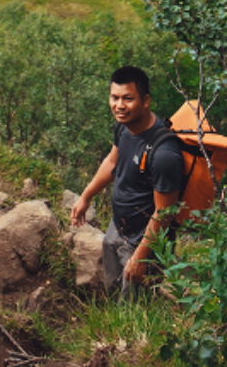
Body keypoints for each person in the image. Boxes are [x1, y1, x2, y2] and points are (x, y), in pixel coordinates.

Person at [69, 66, 184, 290]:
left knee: (135, 307)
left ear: (146, 100)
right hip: (118, 228)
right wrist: (86, 196)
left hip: (144, 243)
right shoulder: (123, 127)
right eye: (114, 97)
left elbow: (164, 213)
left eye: (128, 98)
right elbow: (112, 162)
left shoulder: (164, 154)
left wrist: (141, 257)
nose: (119, 106)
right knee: (112, 290)